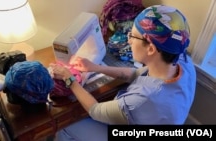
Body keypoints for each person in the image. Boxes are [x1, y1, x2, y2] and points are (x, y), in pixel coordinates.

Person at [49, 5, 196, 141]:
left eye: (132, 36)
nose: (129, 41)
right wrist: (96, 67)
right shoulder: (183, 62)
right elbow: (135, 74)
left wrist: (69, 79)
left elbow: (95, 110)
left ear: (151, 48)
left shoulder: (144, 99)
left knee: (66, 126)